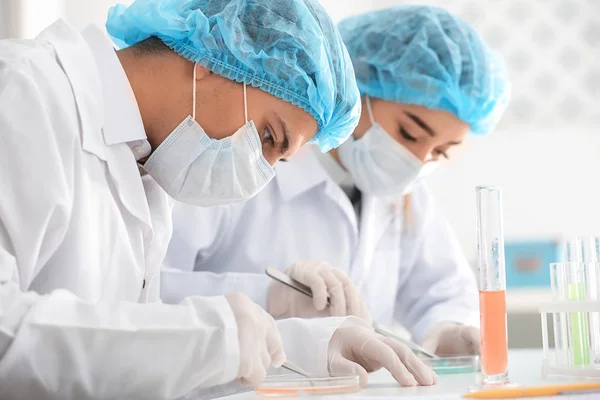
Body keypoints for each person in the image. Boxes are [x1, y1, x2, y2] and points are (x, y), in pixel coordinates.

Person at [0, 0, 397, 398]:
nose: (260, 171)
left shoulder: (146, 162)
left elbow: (123, 350)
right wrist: (211, 340)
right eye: (268, 137)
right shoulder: (21, 91)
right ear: (215, 59)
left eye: (280, 158)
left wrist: (302, 346)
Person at [162, 3, 510, 368]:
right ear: (359, 90)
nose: (418, 161)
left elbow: (443, 290)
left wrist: (450, 326)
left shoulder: (406, 197)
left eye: (441, 151)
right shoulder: (239, 162)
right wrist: (270, 297)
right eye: (409, 133)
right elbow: (150, 291)